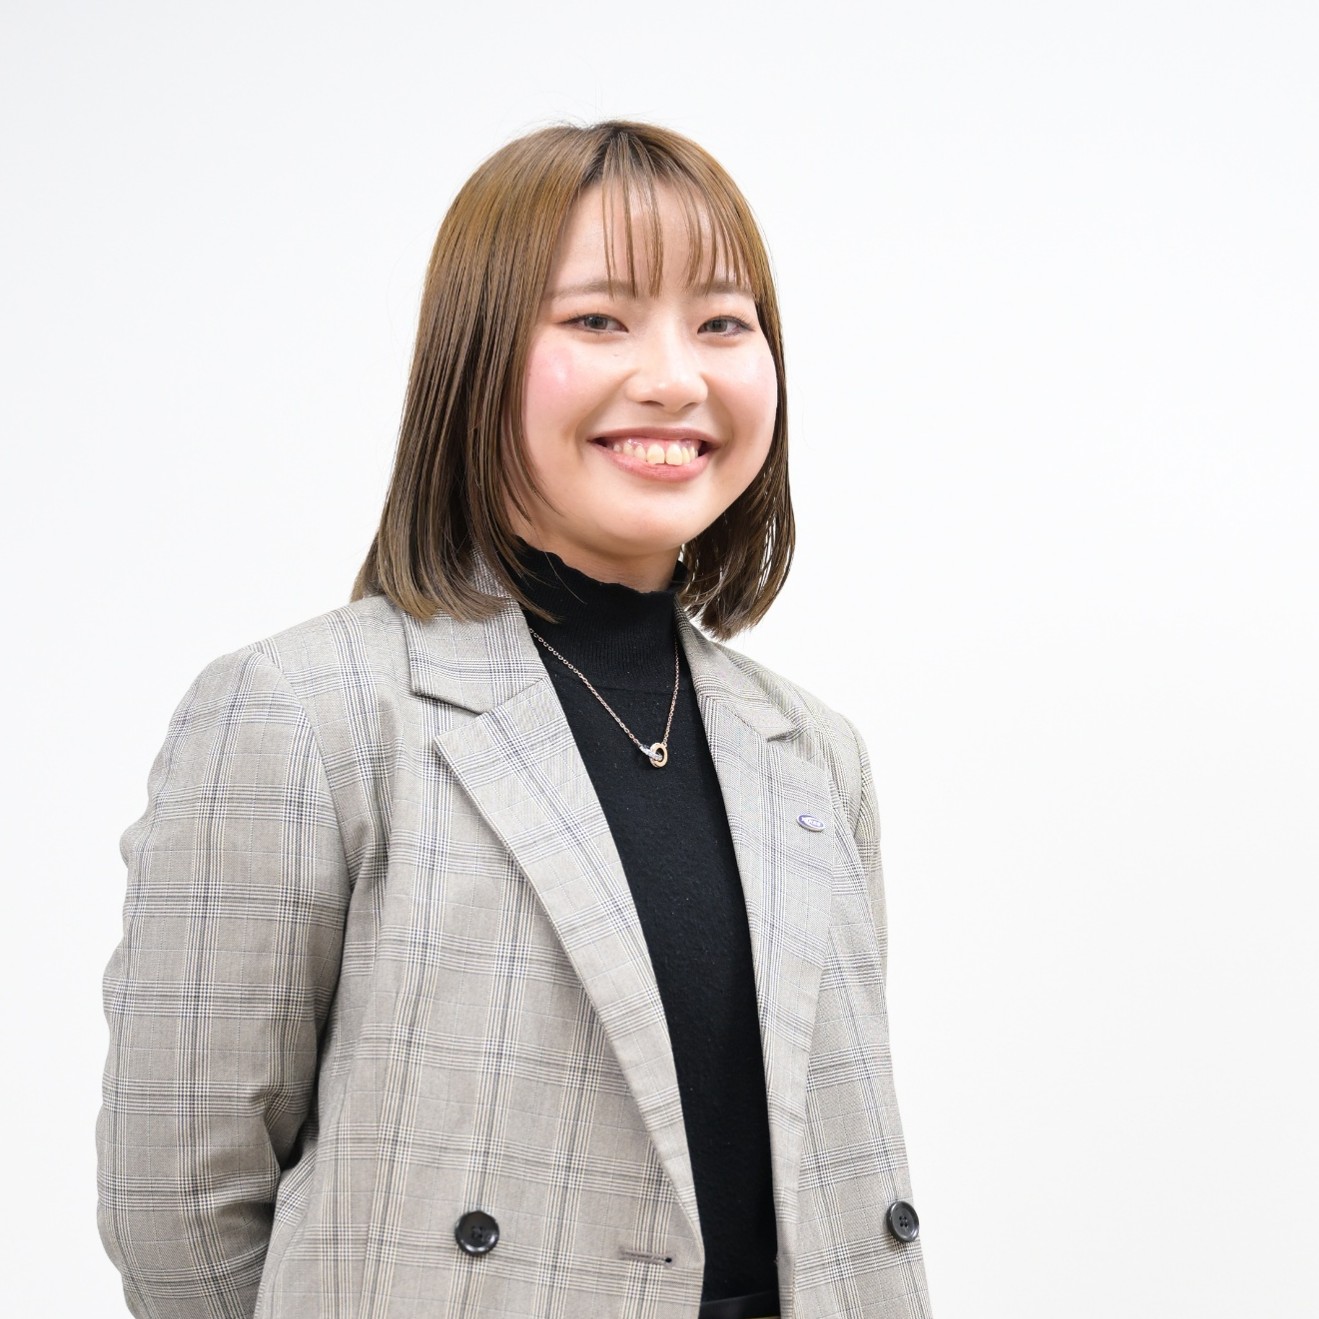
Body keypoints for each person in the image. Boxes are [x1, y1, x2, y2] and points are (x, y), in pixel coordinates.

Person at [98, 121, 932, 1319]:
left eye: (721, 322)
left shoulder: (810, 751)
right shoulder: (306, 712)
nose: (674, 377)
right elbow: (179, 1203)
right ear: (476, 355)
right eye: (598, 319)